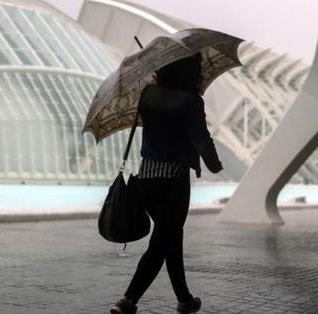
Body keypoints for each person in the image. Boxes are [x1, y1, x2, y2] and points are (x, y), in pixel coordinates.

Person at [110, 53, 223, 314]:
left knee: (171, 235)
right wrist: (214, 164)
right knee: (161, 242)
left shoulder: (148, 94)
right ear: (190, 71)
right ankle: (127, 300)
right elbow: (200, 137)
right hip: (173, 181)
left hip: (146, 178)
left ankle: (185, 299)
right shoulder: (191, 100)